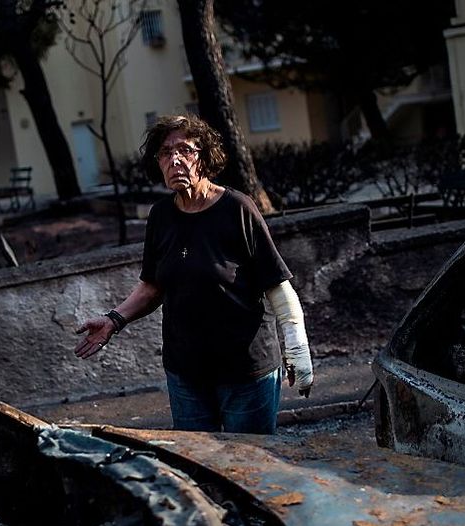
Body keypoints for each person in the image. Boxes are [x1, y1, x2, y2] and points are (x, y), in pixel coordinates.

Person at [74, 114, 313, 434]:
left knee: (253, 466)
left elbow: (278, 287)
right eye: (165, 152)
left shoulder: (237, 208)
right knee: (198, 466)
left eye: (184, 149)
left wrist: (297, 349)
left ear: (205, 156)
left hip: (245, 372)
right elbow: (153, 286)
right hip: (186, 376)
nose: (174, 159)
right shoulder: (160, 217)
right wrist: (114, 320)